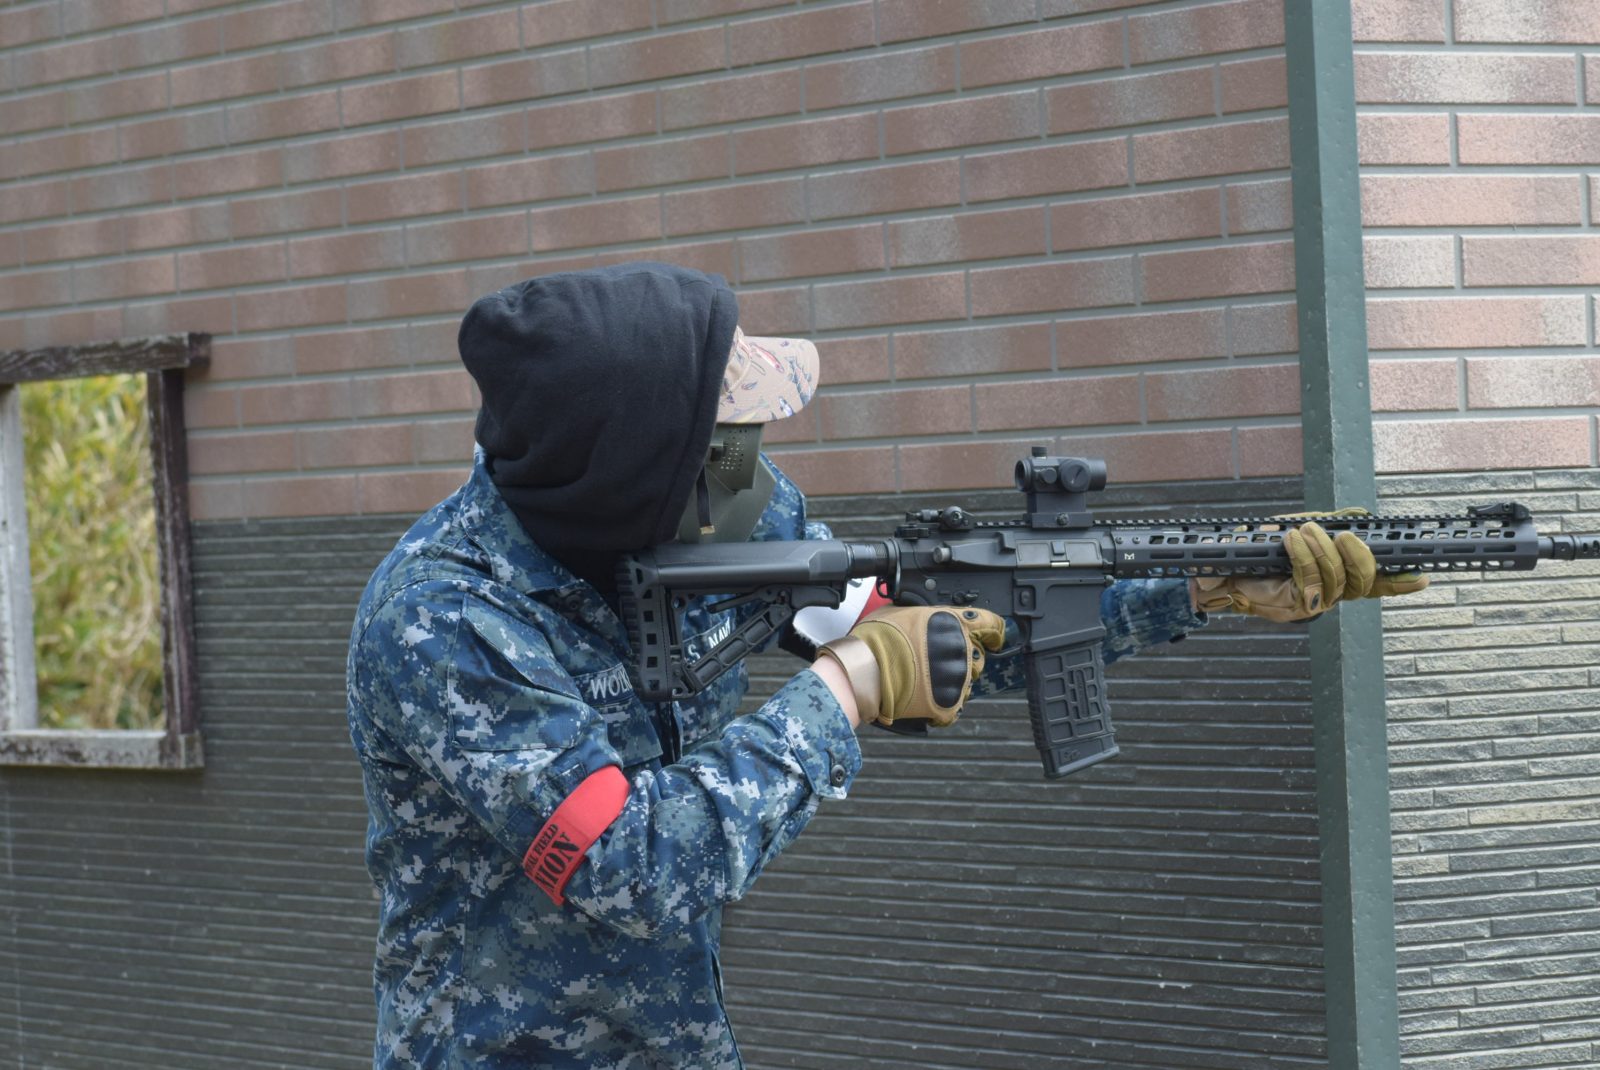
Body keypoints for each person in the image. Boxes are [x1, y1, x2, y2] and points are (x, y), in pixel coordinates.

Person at [346, 261, 1425, 1069]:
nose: (762, 473)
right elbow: (633, 866)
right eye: (732, 442)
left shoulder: (713, 524)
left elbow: (938, 633)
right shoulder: (445, 618)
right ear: (646, 468)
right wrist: (844, 689)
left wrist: (1199, 587)